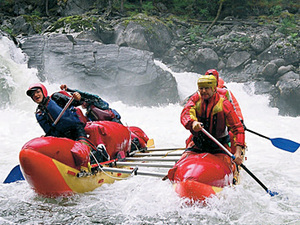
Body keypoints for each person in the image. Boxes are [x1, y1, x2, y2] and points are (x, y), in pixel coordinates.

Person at [180, 75, 245, 169]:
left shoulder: (224, 103)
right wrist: (193, 122)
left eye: (207, 88)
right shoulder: (195, 99)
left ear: (214, 89)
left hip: (219, 146)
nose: (203, 91)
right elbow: (186, 113)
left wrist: (238, 152)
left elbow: (238, 129)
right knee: (181, 162)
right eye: (201, 88)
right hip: (198, 144)